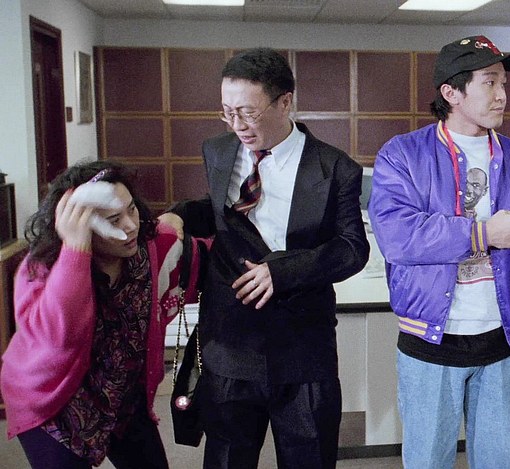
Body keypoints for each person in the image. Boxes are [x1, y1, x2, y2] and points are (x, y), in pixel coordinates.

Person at [159, 48, 369, 469]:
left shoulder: (335, 168)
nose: (237, 125)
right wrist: (179, 215)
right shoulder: (218, 150)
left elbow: (352, 248)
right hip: (230, 340)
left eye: (248, 113)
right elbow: (220, 212)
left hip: (301, 345)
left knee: (309, 457)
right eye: (227, 112)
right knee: (226, 458)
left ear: (285, 102)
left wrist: (283, 271)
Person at [368, 35, 510, 468]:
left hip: (502, 344)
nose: (502, 95)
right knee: (428, 462)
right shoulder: (402, 155)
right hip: (430, 343)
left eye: (504, 84)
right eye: (489, 82)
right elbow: (398, 236)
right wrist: (483, 234)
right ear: (451, 92)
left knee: (499, 461)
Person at [0, 160, 207, 469]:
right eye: (113, 219)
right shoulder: (41, 268)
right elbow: (61, 338)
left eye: (131, 209)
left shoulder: (151, 246)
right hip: (54, 403)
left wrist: (181, 214)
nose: (130, 225)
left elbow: (208, 259)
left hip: (123, 398)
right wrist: (75, 250)